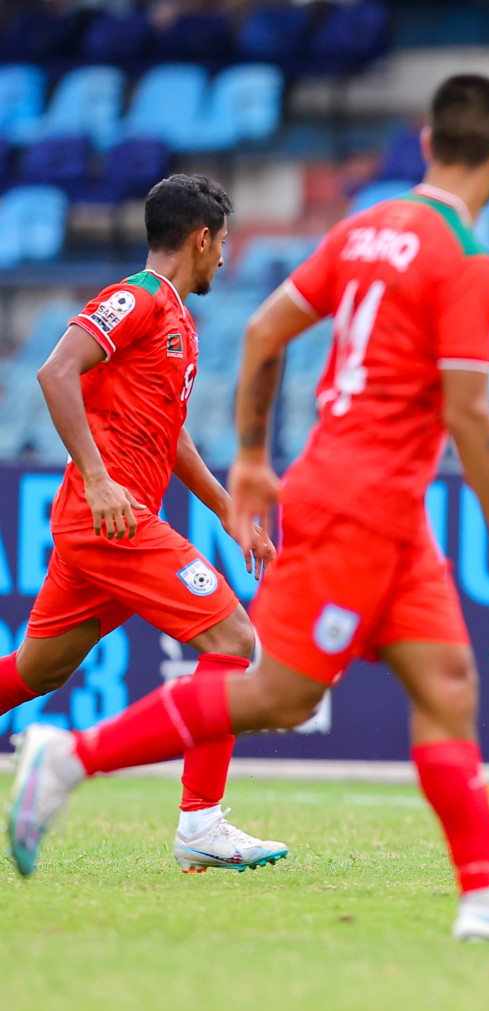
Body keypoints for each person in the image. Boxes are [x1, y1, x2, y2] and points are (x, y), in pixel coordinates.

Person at [7, 74, 489, 945]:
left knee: (447, 685)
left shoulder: (362, 229)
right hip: (356, 498)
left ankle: (485, 899)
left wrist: (243, 469)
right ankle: (76, 762)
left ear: (428, 143)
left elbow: (263, 336)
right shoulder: (468, 263)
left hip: (375, 500)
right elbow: (470, 416)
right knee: (269, 682)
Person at [0, 173, 286, 873]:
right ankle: (201, 822)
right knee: (233, 637)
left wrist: (228, 511)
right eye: (223, 243)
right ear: (202, 237)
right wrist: (98, 479)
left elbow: (172, 435)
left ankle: (200, 821)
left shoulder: (178, 320)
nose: (225, 258)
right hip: (109, 520)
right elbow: (55, 370)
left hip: (112, 522)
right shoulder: (141, 298)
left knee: (39, 670)